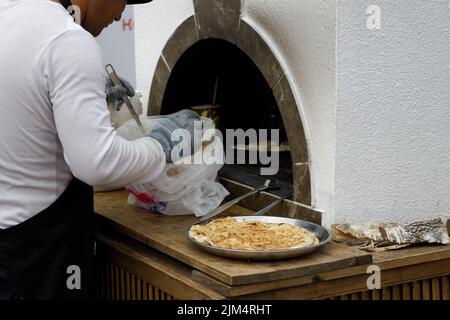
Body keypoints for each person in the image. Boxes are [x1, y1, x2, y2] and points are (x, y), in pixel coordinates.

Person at [0, 0, 199, 300]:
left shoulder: (9, 14)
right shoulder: (67, 41)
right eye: (124, 0)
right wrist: (162, 145)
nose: (121, 14)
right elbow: (97, 162)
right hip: (37, 255)